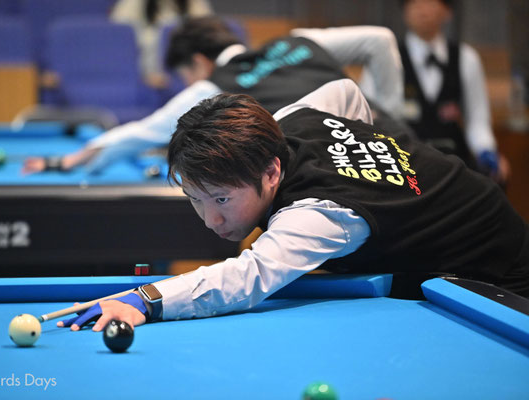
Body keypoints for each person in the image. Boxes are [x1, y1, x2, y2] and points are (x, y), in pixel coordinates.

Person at [57, 79, 528, 333]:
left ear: (271, 173)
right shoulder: (289, 122)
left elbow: (246, 279)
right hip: (458, 221)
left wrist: (147, 299)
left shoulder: (319, 215)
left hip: (497, 267)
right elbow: (346, 91)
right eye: (195, 200)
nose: (211, 219)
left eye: (222, 199)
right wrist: (364, 148)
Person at [22, 16, 405, 175]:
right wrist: (386, 115)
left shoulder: (212, 88)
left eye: (185, 76)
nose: (187, 85)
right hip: (402, 147)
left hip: (354, 173)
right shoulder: (300, 41)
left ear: (199, 63)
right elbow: (380, 40)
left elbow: (140, 133)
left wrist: (66, 161)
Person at [361, 0, 509, 184]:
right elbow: (366, 116)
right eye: (415, 3)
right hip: (404, 163)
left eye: (430, 2)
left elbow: (477, 121)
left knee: (494, 181)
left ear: (447, 11)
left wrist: (487, 151)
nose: (423, 10)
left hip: (455, 162)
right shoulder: (385, 58)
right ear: (404, 11)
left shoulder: (466, 58)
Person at [110, 0, 213, 89]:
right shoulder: (133, 4)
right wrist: (144, 75)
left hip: (184, 76)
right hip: (143, 73)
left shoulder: (194, 4)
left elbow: (207, 35)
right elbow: (118, 38)